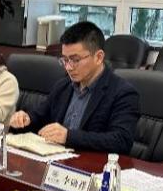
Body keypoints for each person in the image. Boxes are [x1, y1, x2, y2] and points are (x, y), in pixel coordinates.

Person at [9, 22, 139, 153]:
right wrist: (25, 119)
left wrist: (69, 136)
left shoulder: (123, 93)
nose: (68, 67)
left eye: (75, 60)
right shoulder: (63, 86)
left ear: (99, 57)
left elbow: (121, 141)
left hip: (91, 163)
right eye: (65, 60)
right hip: (56, 158)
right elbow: (39, 116)